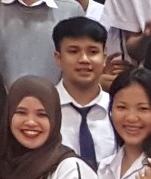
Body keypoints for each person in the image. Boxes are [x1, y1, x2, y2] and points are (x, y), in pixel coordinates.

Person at [48, 17, 119, 170]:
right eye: (73, 51)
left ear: (104, 58)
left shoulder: (118, 108)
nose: (84, 59)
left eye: (93, 52)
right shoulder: (45, 109)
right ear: (58, 58)